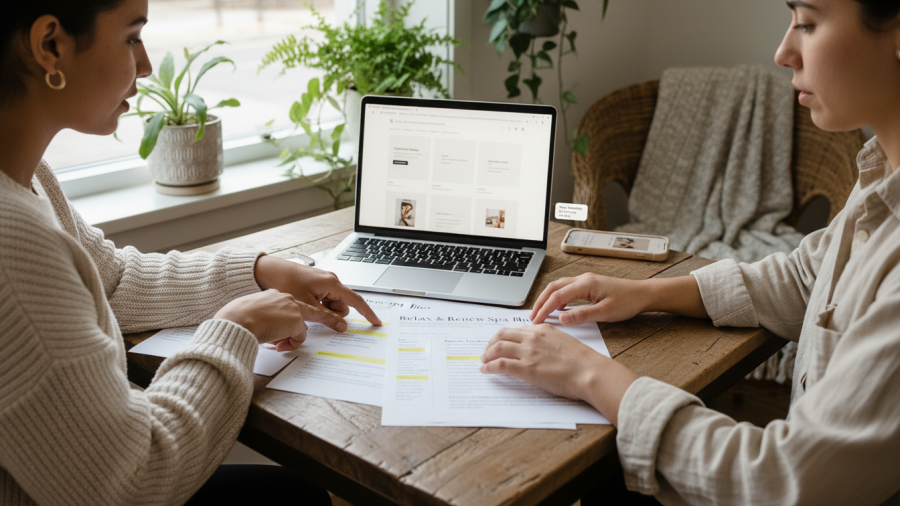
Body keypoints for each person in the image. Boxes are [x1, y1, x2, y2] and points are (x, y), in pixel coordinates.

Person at [481, 0, 900, 504]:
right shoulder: (882, 176)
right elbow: (807, 277)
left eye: (807, 23)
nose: (783, 52)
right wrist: (645, 293)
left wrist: (589, 374)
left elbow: (781, 480)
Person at [0, 1, 381, 504]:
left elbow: (110, 280)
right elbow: (135, 477)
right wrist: (235, 330)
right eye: (132, 37)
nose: (146, 65)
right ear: (51, 46)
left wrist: (262, 273)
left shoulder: (28, 177)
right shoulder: (13, 242)